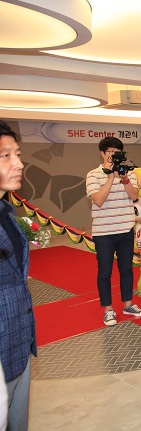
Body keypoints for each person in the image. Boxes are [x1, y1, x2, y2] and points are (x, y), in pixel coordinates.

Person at [86, 138, 141, 326]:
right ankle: (108, 309)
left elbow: (134, 196)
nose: (114, 155)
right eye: (110, 152)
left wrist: (124, 178)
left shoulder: (129, 173)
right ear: (102, 153)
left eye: (117, 152)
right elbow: (98, 200)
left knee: (126, 269)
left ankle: (128, 304)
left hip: (126, 229)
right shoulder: (93, 175)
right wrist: (111, 178)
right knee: (105, 272)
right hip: (103, 232)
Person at [0, 120, 36, 430]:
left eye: (18, 154)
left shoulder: (6, 212)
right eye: (6, 156)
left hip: (18, 342)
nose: (19, 164)